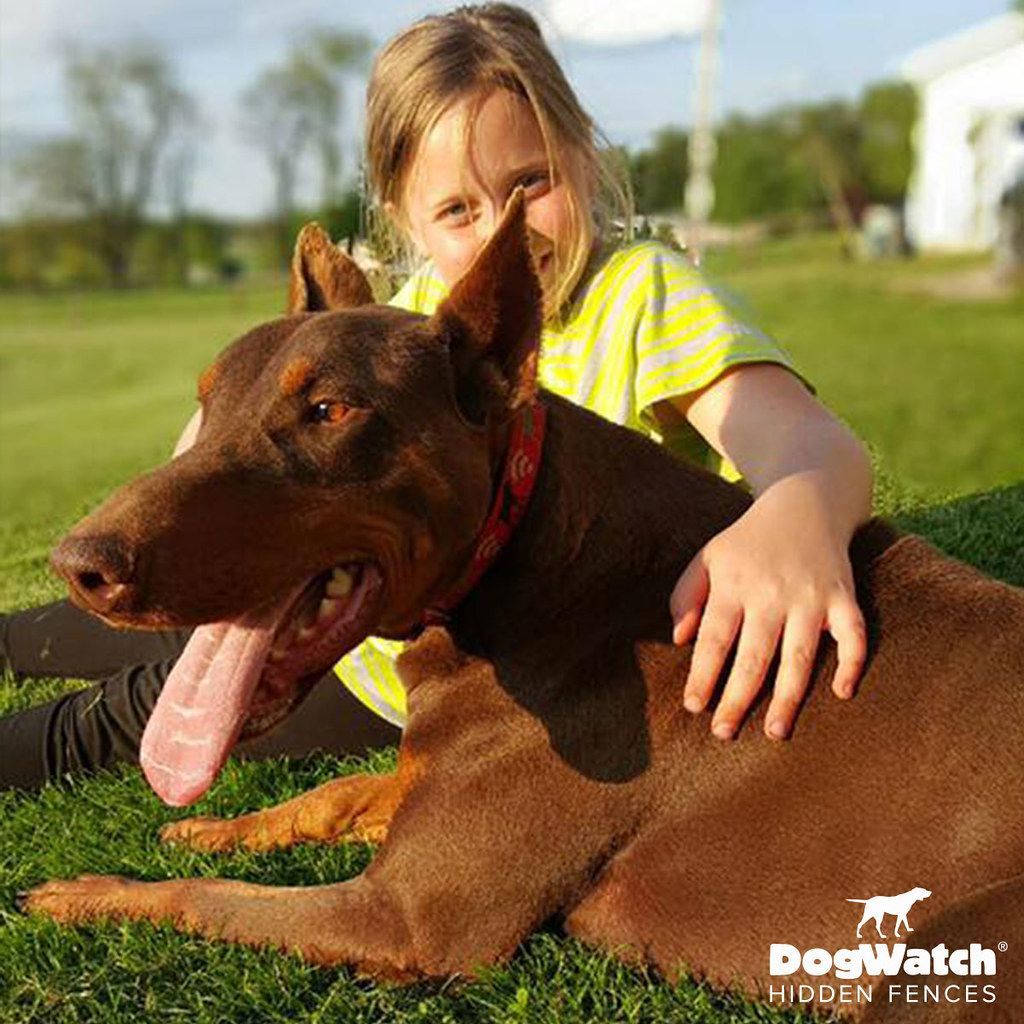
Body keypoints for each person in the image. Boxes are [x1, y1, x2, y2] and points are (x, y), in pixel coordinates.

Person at [0, 3, 872, 792]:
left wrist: (797, 515)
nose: (504, 227)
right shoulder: (406, 323)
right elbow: (232, 433)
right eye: (457, 208)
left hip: (412, 679)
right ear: (403, 218)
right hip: (309, 580)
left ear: (585, 150)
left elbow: (812, 449)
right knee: (88, 623)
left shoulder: (645, 294)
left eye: (530, 183)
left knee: (129, 708)